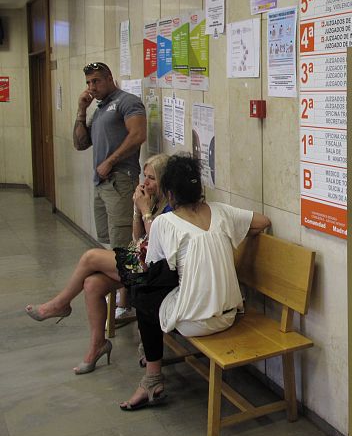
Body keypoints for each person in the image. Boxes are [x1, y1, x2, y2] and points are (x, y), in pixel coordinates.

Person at [120, 154, 271, 410]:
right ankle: (151, 376)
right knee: (160, 287)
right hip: (229, 314)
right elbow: (263, 221)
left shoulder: (164, 223)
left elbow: (152, 263)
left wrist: (145, 212)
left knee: (143, 296)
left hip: (194, 323)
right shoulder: (222, 211)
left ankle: (152, 379)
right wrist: (237, 233)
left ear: (169, 193)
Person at [24, 154, 171, 374]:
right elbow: (137, 237)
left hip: (153, 270)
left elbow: (158, 244)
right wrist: (136, 208)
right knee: (93, 284)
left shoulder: (171, 207)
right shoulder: (153, 200)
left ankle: (60, 304)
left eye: (152, 178)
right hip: (139, 257)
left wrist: (145, 210)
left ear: (165, 181)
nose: (145, 183)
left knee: (90, 258)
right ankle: (97, 345)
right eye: (144, 176)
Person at [73, 61, 146, 321]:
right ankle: (120, 293)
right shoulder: (99, 108)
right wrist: (82, 110)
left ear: (109, 78)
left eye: (96, 81)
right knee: (110, 240)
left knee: (123, 243)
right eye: (88, 83)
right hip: (101, 183)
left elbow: (138, 135)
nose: (92, 87)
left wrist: (112, 160)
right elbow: (80, 143)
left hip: (120, 179)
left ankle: (126, 302)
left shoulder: (127, 101)